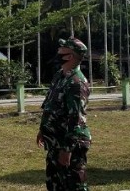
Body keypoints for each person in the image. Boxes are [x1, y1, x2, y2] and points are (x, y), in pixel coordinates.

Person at [37, 37, 92, 191]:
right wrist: (43, 130)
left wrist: (67, 149)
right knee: (55, 185)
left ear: (70, 56)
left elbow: (76, 119)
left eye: (62, 49)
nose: (58, 51)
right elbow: (50, 106)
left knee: (74, 186)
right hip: (55, 142)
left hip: (70, 145)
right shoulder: (60, 76)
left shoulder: (76, 83)